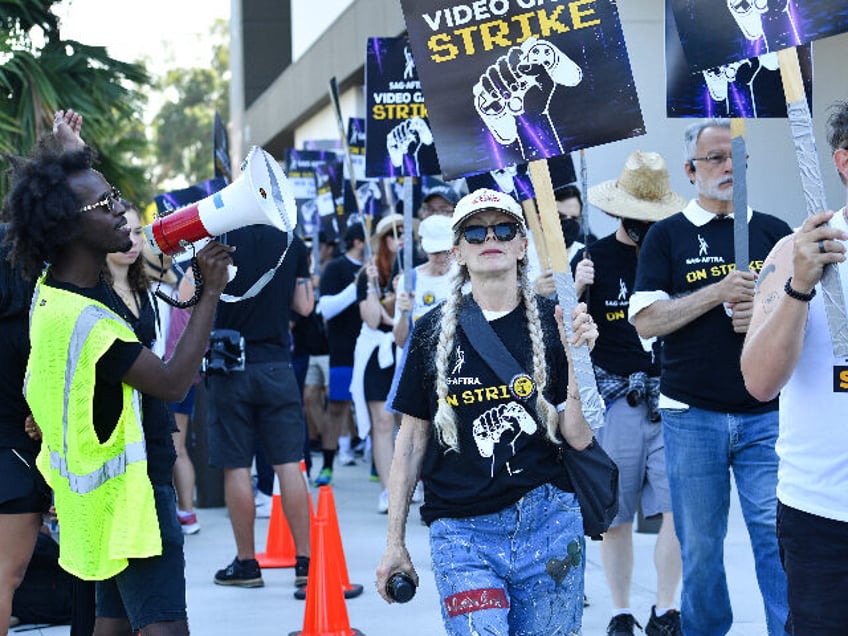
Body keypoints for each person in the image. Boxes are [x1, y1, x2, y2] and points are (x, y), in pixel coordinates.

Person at [4, 115, 232, 636]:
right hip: (134, 499)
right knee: (162, 626)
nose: (121, 214)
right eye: (105, 206)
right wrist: (211, 291)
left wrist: (73, 151)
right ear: (67, 225)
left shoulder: (59, 289)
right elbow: (173, 382)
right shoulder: (90, 321)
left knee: (112, 623)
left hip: (99, 501)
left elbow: (79, 202)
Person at [376, 188, 599, 634]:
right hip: (461, 534)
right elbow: (411, 442)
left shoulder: (557, 323)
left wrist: (579, 360)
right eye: (475, 232)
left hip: (550, 524)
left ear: (521, 245)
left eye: (504, 229)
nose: (489, 238)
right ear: (457, 251)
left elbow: (578, 436)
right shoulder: (429, 331)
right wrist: (394, 542)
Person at [629, 118, 791, 636]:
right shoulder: (666, 236)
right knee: (699, 542)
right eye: (716, 158)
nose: (728, 167)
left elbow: (801, 318)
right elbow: (647, 321)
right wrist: (715, 295)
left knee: (774, 534)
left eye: (736, 158)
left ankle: (788, 627)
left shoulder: (774, 232)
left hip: (765, 414)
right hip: (691, 415)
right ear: (689, 170)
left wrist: (763, 313)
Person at [741, 101, 848, 635]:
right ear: (845, 163)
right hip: (823, 518)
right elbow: (759, 382)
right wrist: (800, 285)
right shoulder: (796, 251)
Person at [576, 151, 684, 636]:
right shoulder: (594, 259)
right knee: (614, 516)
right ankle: (621, 611)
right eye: (636, 217)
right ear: (619, 212)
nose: (644, 226)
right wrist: (574, 290)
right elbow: (570, 337)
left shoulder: (675, 251)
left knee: (675, 512)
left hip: (671, 398)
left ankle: (665, 608)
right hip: (616, 398)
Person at [207, 224, 314, 590]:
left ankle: (247, 564)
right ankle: (306, 563)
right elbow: (305, 305)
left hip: (228, 365)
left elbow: (189, 295)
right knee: (288, 463)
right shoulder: (291, 243)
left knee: (236, 466)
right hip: (276, 365)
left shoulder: (218, 240)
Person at [351, 214, 402, 513]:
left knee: (408, 421)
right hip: (377, 353)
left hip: (406, 348)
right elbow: (372, 319)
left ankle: (411, 481)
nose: (400, 239)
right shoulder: (366, 275)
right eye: (393, 234)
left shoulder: (416, 270)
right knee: (382, 422)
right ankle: (388, 489)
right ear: (382, 241)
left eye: (403, 233)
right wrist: (371, 285)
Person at [316, 222, 368, 484]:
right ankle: (326, 465)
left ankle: (380, 466)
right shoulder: (336, 268)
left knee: (382, 409)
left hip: (376, 351)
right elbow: (325, 309)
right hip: (343, 351)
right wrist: (357, 285)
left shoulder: (384, 265)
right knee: (337, 408)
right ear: (358, 242)